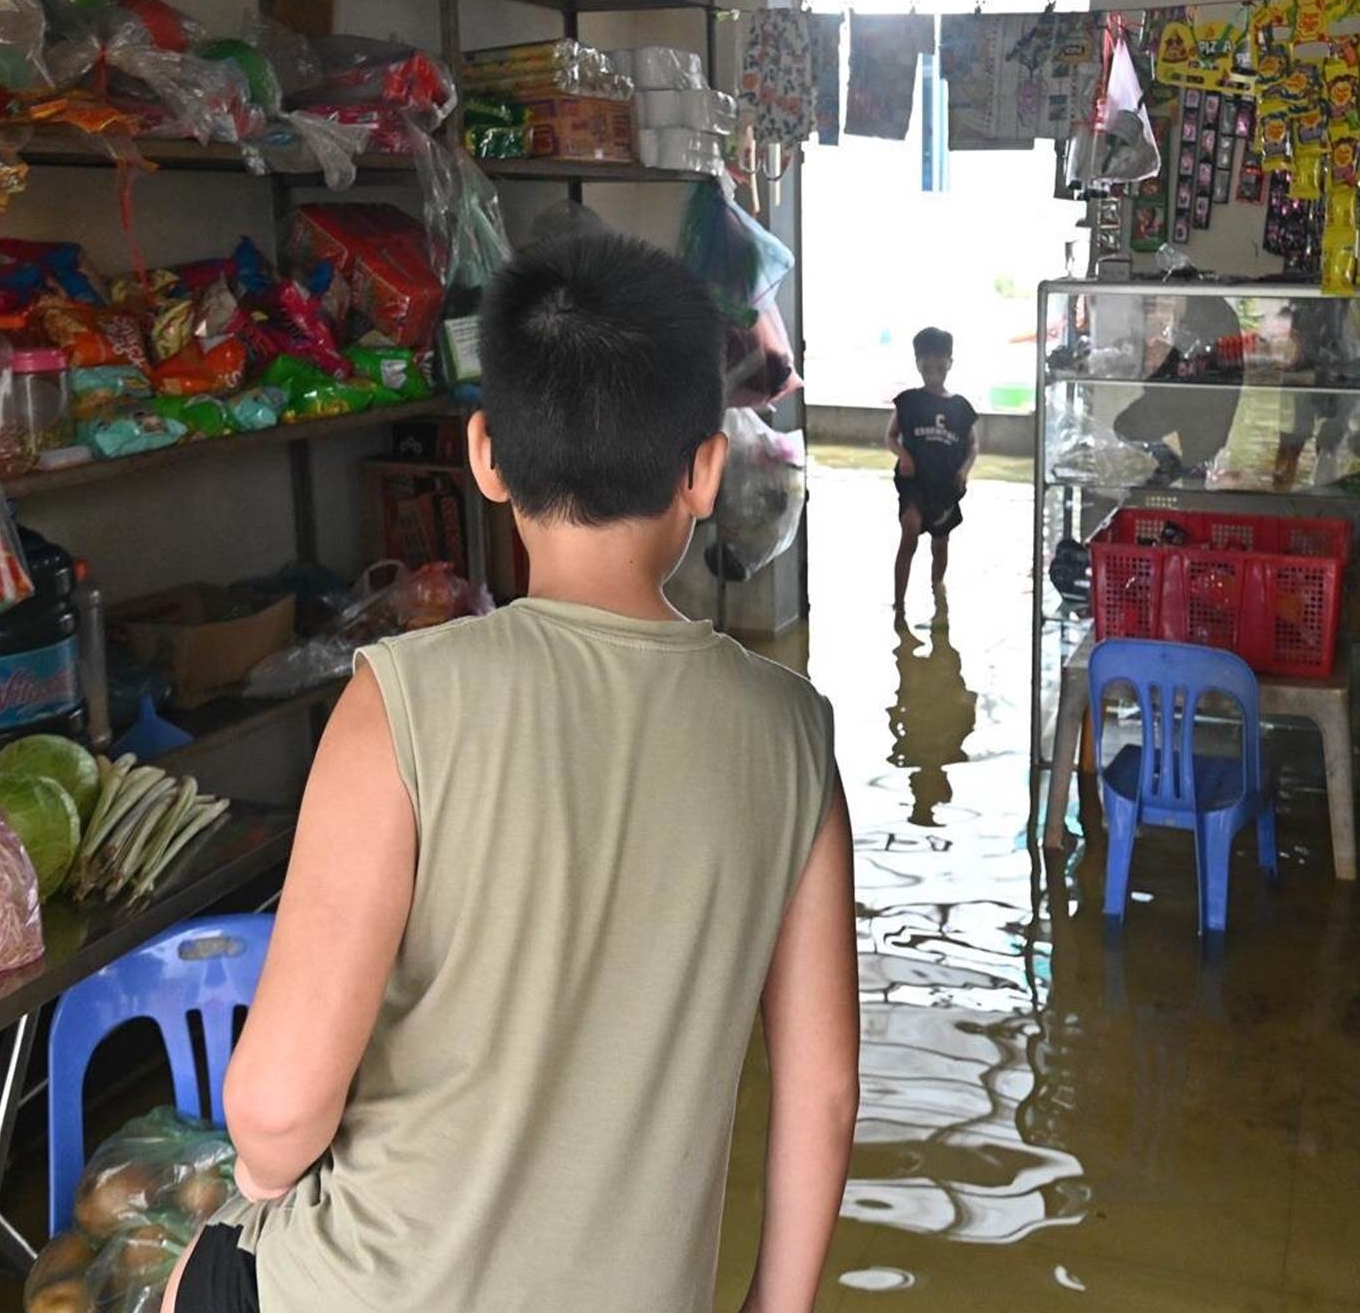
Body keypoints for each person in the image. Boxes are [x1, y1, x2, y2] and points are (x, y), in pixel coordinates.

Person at [168, 236, 857, 1313]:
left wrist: (247, 1198)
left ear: (485, 455)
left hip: (367, 1289)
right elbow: (820, 1090)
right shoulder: (792, 734)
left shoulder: (398, 699)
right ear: (708, 469)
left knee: (191, 1268)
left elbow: (279, 1106)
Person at [886, 327, 979, 614]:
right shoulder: (908, 401)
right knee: (910, 530)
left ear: (950, 363)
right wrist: (903, 454)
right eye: (926, 363)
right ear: (918, 364)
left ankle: (938, 594)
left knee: (941, 543)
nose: (933, 369)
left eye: (939, 363)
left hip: (945, 485)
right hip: (915, 483)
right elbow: (890, 435)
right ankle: (899, 605)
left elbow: (973, 445)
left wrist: (964, 471)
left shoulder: (961, 407)